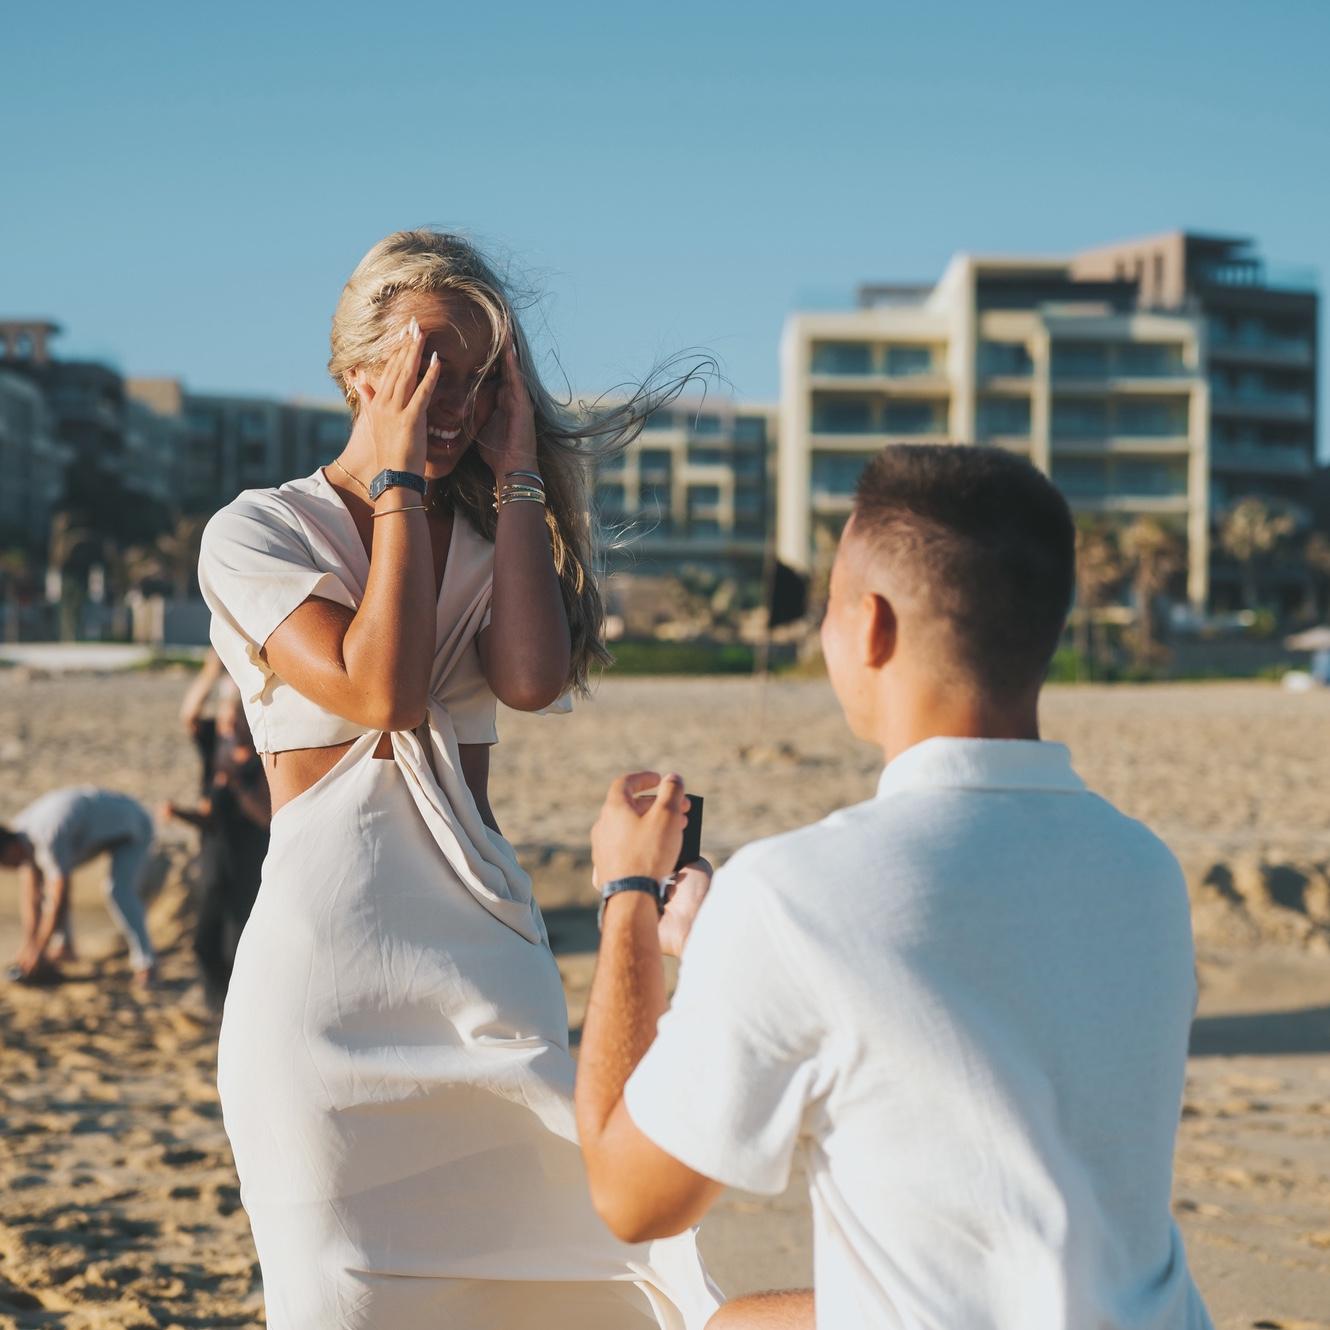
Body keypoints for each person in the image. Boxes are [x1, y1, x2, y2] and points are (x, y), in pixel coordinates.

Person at [196, 230, 719, 1329]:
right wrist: (395, 484)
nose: (457, 401)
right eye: (434, 368)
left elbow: (528, 680)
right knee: (340, 1296)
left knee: (586, 1284)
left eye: (482, 379)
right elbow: (377, 690)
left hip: (483, 970)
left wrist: (518, 466)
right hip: (323, 992)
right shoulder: (256, 531)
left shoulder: (488, 541)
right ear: (359, 375)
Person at [576, 444, 1213, 1330]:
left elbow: (629, 1195)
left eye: (830, 609)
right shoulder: (1146, 870)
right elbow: (971, 994)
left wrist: (627, 897)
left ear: (871, 626)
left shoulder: (796, 897)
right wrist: (728, 946)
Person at [162, 674, 270, 1009]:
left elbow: (266, 817)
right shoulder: (216, 751)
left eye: (234, 721)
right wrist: (180, 814)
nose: (227, 728)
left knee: (237, 946)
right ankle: (215, 1010)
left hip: (248, 868)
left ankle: (237, 1010)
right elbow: (189, 715)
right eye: (224, 721)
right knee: (204, 943)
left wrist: (235, 784)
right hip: (213, 864)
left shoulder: (262, 759)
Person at [0, 786, 158, 987]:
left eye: (5, 863)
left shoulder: (47, 836)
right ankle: (65, 949)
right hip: (96, 830)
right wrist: (29, 945)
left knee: (119, 892)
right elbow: (31, 895)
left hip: (134, 826)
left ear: (11, 849)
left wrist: (39, 948)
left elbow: (59, 895)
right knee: (53, 882)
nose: (8, 869)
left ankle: (146, 964)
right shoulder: (19, 831)